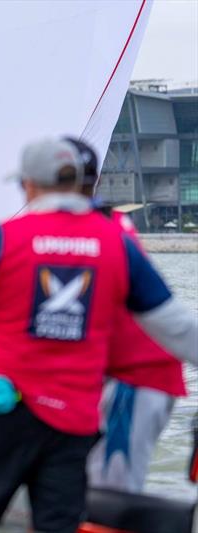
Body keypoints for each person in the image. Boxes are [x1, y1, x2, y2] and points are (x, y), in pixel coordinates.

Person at [0, 138, 197, 532]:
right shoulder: (115, 241)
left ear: (29, 185)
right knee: (60, 524)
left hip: (6, 409)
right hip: (73, 419)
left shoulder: (7, 235)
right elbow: (174, 325)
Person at [53, 138, 191, 494]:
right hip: (117, 376)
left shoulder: (99, 233)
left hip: (136, 378)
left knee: (110, 491)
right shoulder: (110, 223)